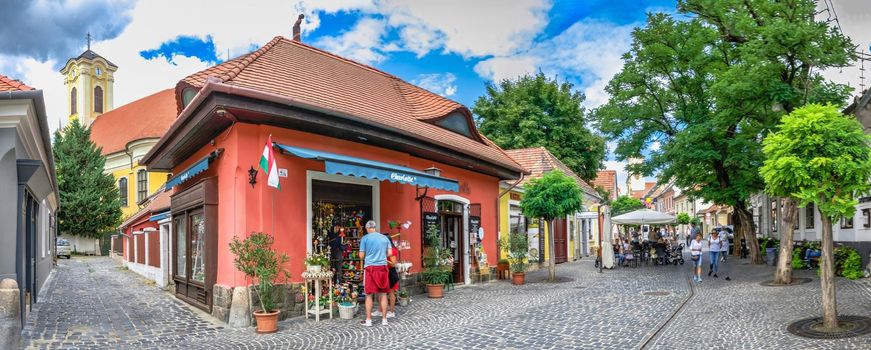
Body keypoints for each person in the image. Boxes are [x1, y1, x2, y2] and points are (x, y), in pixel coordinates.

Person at [359, 221, 393, 326]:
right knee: (383, 294)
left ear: (367, 228)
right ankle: (384, 319)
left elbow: (361, 256)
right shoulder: (385, 238)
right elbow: (390, 253)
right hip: (383, 267)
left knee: (368, 295)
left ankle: (369, 320)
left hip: (370, 268)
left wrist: (368, 255)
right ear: (375, 227)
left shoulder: (365, 238)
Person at [372, 231, 399, 319]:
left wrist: (384, 258)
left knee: (391, 292)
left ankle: (391, 311)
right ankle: (380, 310)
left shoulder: (393, 250)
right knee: (380, 292)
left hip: (390, 272)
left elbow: (393, 264)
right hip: (382, 271)